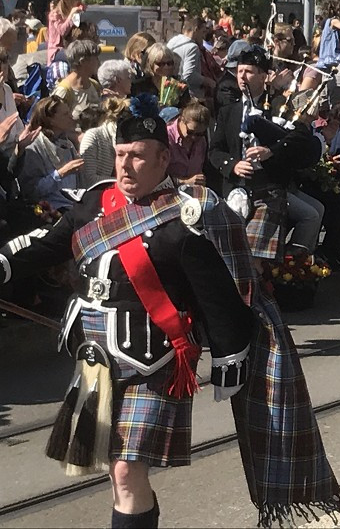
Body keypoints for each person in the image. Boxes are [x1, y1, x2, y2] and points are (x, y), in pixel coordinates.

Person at [0, 100, 256, 529]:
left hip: (156, 360)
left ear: (162, 158)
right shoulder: (95, 202)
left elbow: (216, 293)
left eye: (138, 155)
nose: (126, 165)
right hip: (96, 358)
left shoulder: (183, 216)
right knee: (118, 475)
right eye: (121, 155)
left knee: (125, 469)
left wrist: (230, 355)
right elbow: (48, 242)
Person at [208, 47, 322, 270]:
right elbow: (215, 151)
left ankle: (261, 297)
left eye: (249, 72)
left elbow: (300, 138)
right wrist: (232, 165)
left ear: (263, 76)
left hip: (268, 188)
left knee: (255, 262)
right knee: (233, 257)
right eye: (240, 71)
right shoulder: (228, 111)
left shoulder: (280, 107)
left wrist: (272, 151)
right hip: (235, 191)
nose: (242, 77)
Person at [18, 96, 82, 212]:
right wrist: (60, 173)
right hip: (50, 209)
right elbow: (31, 191)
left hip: (73, 203)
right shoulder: (34, 147)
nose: (71, 117)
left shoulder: (67, 143)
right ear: (50, 119)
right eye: (65, 114)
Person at [51, 39, 102, 121]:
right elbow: (54, 120)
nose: (99, 63)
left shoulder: (95, 85)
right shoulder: (64, 90)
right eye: (95, 59)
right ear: (82, 62)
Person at [166, 101, 210, 185]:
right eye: (190, 132)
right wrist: (185, 181)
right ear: (182, 120)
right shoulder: (166, 138)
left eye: (199, 134)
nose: (194, 137)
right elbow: (156, 176)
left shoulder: (202, 141)